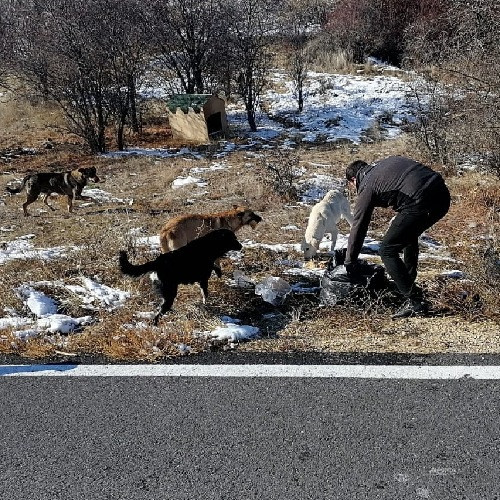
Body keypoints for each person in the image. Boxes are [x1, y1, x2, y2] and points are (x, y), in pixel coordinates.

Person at [344, 156, 451, 318]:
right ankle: (408, 285)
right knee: (408, 232)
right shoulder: (384, 165)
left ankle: (416, 302)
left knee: (387, 250)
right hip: (442, 194)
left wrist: (350, 261)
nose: (353, 189)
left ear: (354, 180)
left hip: (421, 200)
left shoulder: (367, 184)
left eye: (351, 186)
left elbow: (359, 225)